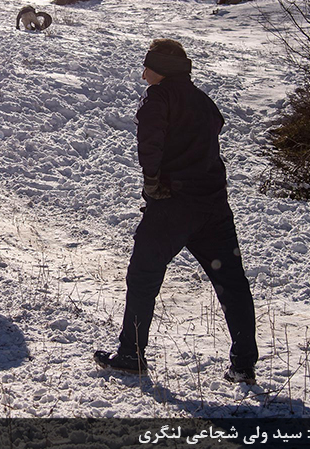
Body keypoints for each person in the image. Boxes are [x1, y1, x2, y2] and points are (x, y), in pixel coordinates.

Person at [94, 39, 258, 384]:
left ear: (162, 68)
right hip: (213, 206)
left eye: (147, 68)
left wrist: (152, 183)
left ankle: (131, 355)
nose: (143, 76)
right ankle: (244, 365)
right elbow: (213, 130)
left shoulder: (159, 98)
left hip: (173, 204)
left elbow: (150, 143)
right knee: (231, 283)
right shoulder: (202, 100)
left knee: (143, 276)